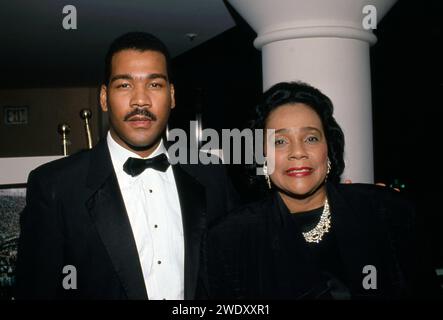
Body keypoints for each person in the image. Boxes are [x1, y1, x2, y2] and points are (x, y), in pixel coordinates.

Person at [15, 32, 238, 300]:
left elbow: (235, 274)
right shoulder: (55, 187)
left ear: (172, 95)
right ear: (103, 98)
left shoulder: (210, 174)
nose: (140, 101)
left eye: (154, 85)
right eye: (124, 85)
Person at [205, 81, 442, 299]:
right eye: (279, 141)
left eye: (311, 139)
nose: (298, 152)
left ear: (328, 148)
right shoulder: (229, 240)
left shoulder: (386, 213)